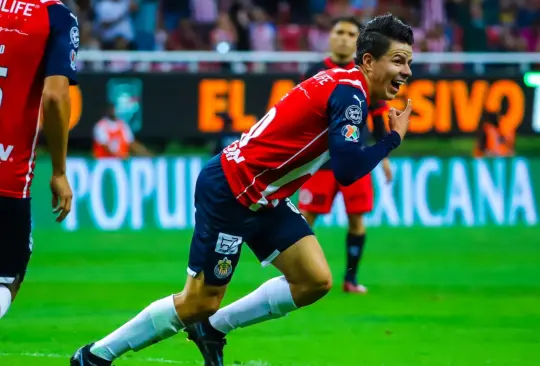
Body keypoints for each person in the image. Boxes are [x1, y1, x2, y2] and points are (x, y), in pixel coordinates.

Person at [71, 13, 414, 366]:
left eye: (409, 63)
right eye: (398, 61)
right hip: (233, 192)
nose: (406, 72)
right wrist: (393, 139)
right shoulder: (349, 93)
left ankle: (212, 329)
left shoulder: (343, 84)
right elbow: (346, 169)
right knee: (198, 301)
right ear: (369, 61)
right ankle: (95, 355)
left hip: (266, 196)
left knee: (314, 280)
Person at [298, 16, 393, 294]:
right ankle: (299, 274)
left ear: (358, 40)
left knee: (356, 219)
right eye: (339, 32)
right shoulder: (314, 71)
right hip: (320, 162)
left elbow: (376, 115)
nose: (343, 37)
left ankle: (351, 279)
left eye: (350, 33)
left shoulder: (367, 73)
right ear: (330, 37)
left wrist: (384, 157)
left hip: (354, 161)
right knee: (305, 219)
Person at [0, 0, 78, 318]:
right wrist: (59, 171)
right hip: (7, 174)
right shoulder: (55, 17)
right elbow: (55, 96)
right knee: (6, 278)